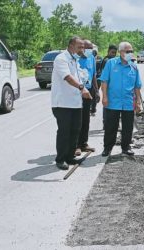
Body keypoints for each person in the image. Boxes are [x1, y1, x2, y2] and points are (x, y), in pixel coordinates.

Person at [51, 36, 92, 170]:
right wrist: (82, 88)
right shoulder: (61, 59)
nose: (82, 49)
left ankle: (70, 156)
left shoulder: (75, 60)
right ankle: (60, 159)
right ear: (71, 46)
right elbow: (68, 78)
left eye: (83, 47)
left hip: (75, 103)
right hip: (62, 103)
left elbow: (79, 76)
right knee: (64, 131)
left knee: (75, 130)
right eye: (79, 47)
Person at [99, 41, 142, 157]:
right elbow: (104, 81)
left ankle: (126, 147)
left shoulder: (134, 67)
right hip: (113, 102)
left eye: (131, 51)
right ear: (121, 52)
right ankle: (107, 148)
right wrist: (104, 97)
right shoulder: (111, 64)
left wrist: (138, 102)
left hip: (128, 102)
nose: (130, 53)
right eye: (128, 51)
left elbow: (137, 86)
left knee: (128, 127)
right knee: (110, 126)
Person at [74, 39, 98, 156]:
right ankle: (76, 145)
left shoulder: (92, 58)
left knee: (86, 119)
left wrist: (96, 91)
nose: (89, 51)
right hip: (78, 91)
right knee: (78, 119)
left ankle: (84, 143)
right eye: (87, 48)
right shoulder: (75, 59)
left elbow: (93, 75)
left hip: (89, 90)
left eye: (91, 48)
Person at [98, 44, 118, 129]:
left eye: (115, 53)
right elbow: (104, 77)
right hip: (106, 86)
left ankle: (110, 123)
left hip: (112, 87)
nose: (113, 54)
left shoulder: (113, 61)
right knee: (106, 105)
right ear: (108, 51)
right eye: (112, 52)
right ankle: (105, 124)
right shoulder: (107, 61)